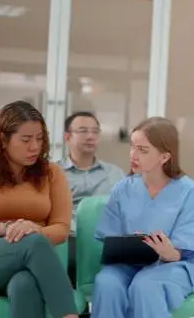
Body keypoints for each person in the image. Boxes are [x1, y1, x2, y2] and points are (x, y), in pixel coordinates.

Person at [91, 117, 194, 318]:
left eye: (143, 150)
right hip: (129, 264)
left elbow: (189, 247)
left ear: (164, 157)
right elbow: (109, 236)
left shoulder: (190, 193)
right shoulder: (123, 189)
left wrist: (170, 253)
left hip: (175, 265)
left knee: (145, 286)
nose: (133, 155)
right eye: (132, 147)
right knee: (107, 283)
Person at [0, 101, 78, 318]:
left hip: (32, 260)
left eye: (40, 138)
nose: (35, 146)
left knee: (25, 284)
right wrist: (9, 229)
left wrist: (35, 230)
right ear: (4, 140)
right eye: (26, 140)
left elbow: (61, 228)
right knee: (32, 241)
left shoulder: (52, 174)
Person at [57, 111, 125, 285]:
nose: (90, 136)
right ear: (67, 137)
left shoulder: (115, 174)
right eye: (83, 131)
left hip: (107, 240)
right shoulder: (53, 173)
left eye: (95, 131)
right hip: (69, 239)